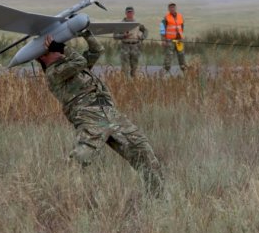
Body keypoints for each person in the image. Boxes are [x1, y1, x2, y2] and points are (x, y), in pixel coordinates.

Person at [37, 30, 164, 196]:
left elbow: (97, 51)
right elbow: (80, 60)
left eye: (56, 48)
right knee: (79, 159)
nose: (58, 52)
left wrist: (85, 33)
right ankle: (61, 197)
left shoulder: (74, 66)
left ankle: (157, 196)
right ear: (42, 57)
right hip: (90, 118)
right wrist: (62, 47)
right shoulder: (53, 73)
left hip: (111, 115)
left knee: (143, 151)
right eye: (53, 50)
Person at [112, 6, 147, 78]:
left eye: (131, 12)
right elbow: (115, 36)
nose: (130, 14)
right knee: (125, 67)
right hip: (125, 46)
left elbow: (145, 31)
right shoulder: (121, 24)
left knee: (134, 66)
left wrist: (142, 37)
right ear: (125, 13)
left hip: (135, 46)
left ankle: (133, 82)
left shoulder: (137, 23)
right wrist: (123, 36)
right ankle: (125, 82)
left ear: (133, 13)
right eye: (128, 12)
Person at [160, 2, 186, 73]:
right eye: (170, 7)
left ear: (175, 8)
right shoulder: (166, 18)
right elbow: (162, 29)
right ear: (168, 9)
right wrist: (163, 40)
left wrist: (180, 36)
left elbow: (182, 27)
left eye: (173, 7)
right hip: (169, 41)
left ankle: (185, 73)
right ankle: (165, 73)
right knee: (168, 57)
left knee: (182, 56)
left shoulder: (180, 16)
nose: (172, 8)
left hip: (179, 40)